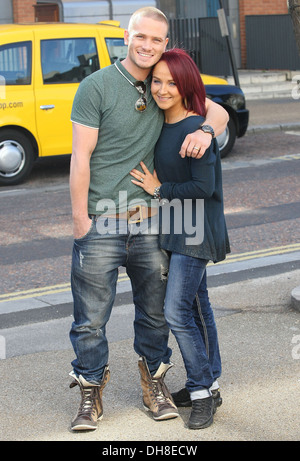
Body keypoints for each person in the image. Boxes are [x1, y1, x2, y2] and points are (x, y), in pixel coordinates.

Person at [69, 6, 229, 431]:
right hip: (101, 222)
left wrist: (204, 132)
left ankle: (156, 386)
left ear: (165, 43)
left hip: (152, 222)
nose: (147, 46)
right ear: (127, 35)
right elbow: (80, 157)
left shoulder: (165, 83)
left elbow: (219, 112)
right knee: (89, 319)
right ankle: (89, 394)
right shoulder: (96, 87)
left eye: (156, 40)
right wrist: (79, 220)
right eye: (141, 37)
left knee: (157, 314)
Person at [130, 48, 230, 429]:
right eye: (156, 80)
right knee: (198, 308)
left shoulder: (195, 129)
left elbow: (203, 188)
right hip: (175, 228)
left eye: (172, 82)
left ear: (186, 84)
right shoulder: (162, 122)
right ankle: (212, 379)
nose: (162, 89)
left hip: (197, 230)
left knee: (176, 311)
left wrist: (158, 189)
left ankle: (201, 390)